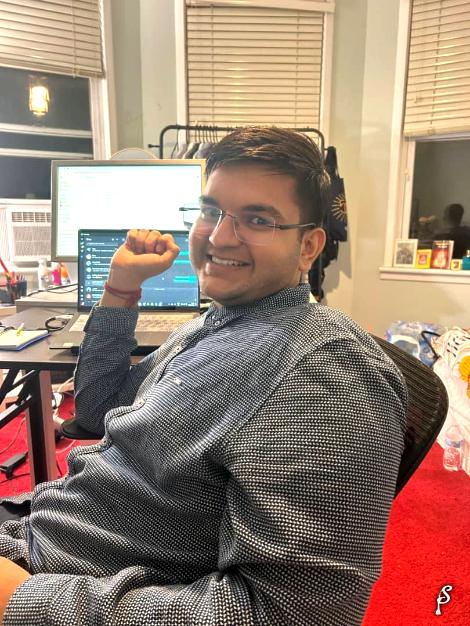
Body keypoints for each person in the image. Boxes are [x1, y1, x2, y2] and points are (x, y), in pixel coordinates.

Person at [0, 127, 407, 626]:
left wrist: (26, 601)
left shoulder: (324, 376)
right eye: (211, 210)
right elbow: (96, 410)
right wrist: (121, 289)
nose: (218, 237)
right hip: (39, 529)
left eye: (257, 219)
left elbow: (298, 614)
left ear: (309, 246)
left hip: (53, 581)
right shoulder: (219, 321)